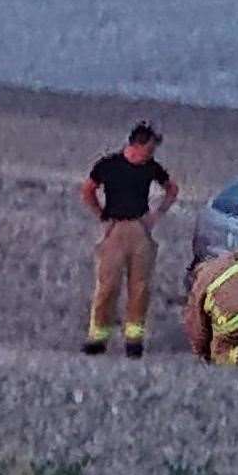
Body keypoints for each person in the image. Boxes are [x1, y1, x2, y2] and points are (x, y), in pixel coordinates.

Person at [80, 121, 178, 358]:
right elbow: (88, 190)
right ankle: (98, 337)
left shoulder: (152, 167)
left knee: (140, 287)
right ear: (137, 144)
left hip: (140, 229)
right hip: (114, 228)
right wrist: (101, 215)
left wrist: (156, 215)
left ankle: (134, 340)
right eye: (150, 148)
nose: (152, 154)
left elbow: (172, 189)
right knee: (107, 286)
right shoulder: (109, 165)